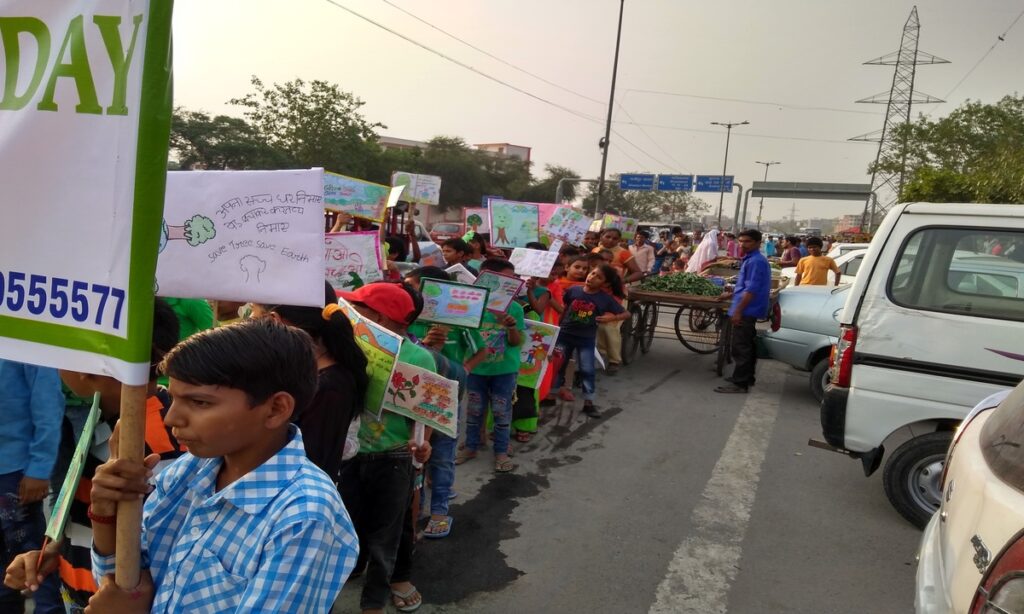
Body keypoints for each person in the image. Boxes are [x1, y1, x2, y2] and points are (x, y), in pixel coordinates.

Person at [79, 319, 358, 612]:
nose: (171, 418)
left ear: (276, 409)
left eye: (199, 402)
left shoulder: (303, 517)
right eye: (173, 398)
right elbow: (125, 584)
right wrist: (106, 513)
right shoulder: (187, 471)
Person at [4, 299, 187, 612]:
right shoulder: (105, 417)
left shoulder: (161, 443)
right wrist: (57, 550)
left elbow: (159, 551)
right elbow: (94, 520)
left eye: (61, 353)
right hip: (82, 594)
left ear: (87, 368)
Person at [336, 282, 434, 614]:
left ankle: (374, 602)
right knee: (348, 521)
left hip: (395, 456)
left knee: (386, 534)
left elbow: (425, 413)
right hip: (348, 454)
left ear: (379, 317)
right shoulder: (346, 347)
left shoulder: (419, 357)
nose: (351, 313)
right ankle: (354, 566)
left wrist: (423, 445)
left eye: (358, 309)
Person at [250, 281, 370, 483]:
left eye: (252, 316)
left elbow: (312, 459)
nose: (249, 324)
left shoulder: (330, 387)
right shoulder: (299, 368)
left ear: (274, 321)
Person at [404, 267, 487, 540]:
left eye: (414, 287)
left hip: (448, 399)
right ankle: (417, 508)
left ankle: (439, 511)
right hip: (414, 398)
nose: (409, 292)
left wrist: (463, 371)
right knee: (417, 454)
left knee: (442, 456)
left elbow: (482, 350)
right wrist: (425, 345)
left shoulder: (460, 322)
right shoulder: (408, 320)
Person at [0, 360, 63, 614]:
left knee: (35, 562)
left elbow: (48, 405)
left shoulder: (27, 344)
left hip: (16, 471)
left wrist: (39, 467)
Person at [456, 259, 525, 473]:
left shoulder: (515, 308)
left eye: (513, 279)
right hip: (475, 369)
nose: (511, 284)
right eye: (507, 279)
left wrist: (511, 327)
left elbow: (516, 342)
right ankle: (472, 446)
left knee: (501, 411)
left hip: (504, 371)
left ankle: (501, 451)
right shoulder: (470, 305)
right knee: (474, 410)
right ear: (486, 278)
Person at [553, 264, 628, 417]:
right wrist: (558, 327)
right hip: (564, 335)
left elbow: (626, 314)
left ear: (605, 284)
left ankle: (588, 403)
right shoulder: (574, 290)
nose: (592, 277)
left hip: (586, 339)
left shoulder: (605, 299)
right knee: (557, 365)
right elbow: (565, 309)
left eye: (598, 277)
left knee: (587, 370)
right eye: (593, 273)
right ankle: (550, 395)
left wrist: (612, 317)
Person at [716, 229, 772, 394]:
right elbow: (745, 286)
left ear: (758, 243)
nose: (742, 244)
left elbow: (751, 290)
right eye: (740, 241)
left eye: (747, 241)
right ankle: (746, 377)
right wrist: (730, 294)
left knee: (740, 347)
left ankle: (740, 383)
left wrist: (738, 311)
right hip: (747, 306)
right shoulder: (751, 259)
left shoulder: (756, 261)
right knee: (747, 345)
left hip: (747, 309)